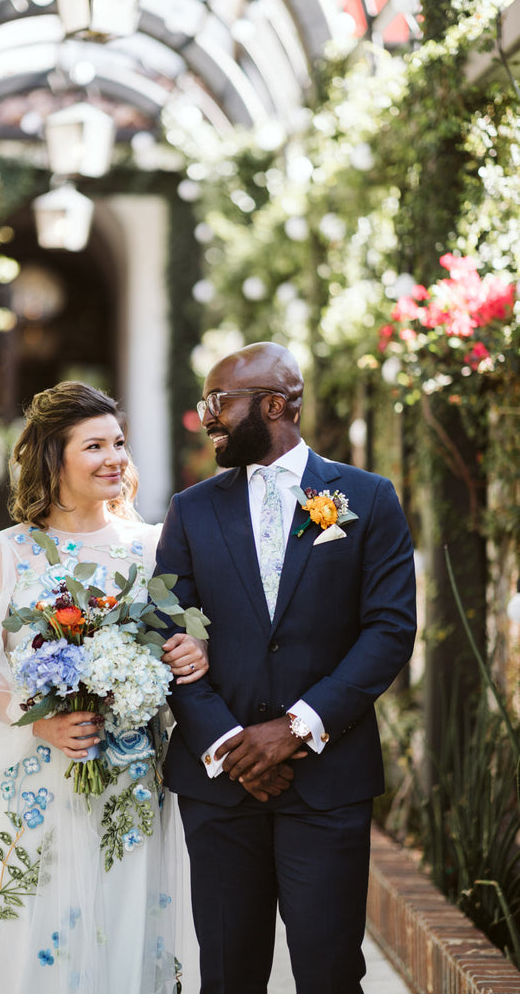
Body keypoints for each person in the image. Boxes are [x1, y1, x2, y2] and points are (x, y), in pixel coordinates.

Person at [156, 342, 417, 994]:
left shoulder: (367, 499)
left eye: (219, 402)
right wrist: (226, 743)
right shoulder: (190, 509)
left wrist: (297, 728)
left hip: (327, 782)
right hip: (218, 786)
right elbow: (165, 621)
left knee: (329, 974)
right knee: (227, 974)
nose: (206, 417)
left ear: (273, 405)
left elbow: (388, 630)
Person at [0, 381, 206, 994]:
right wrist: (40, 720)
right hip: (38, 782)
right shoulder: (0, 554)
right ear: (52, 459)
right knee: (35, 930)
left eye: (119, 443)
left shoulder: (155, 548)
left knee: (123, 926)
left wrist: (193, 652)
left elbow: (182, 642)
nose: (115, 458)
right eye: (94, 446)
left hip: (131, 782)